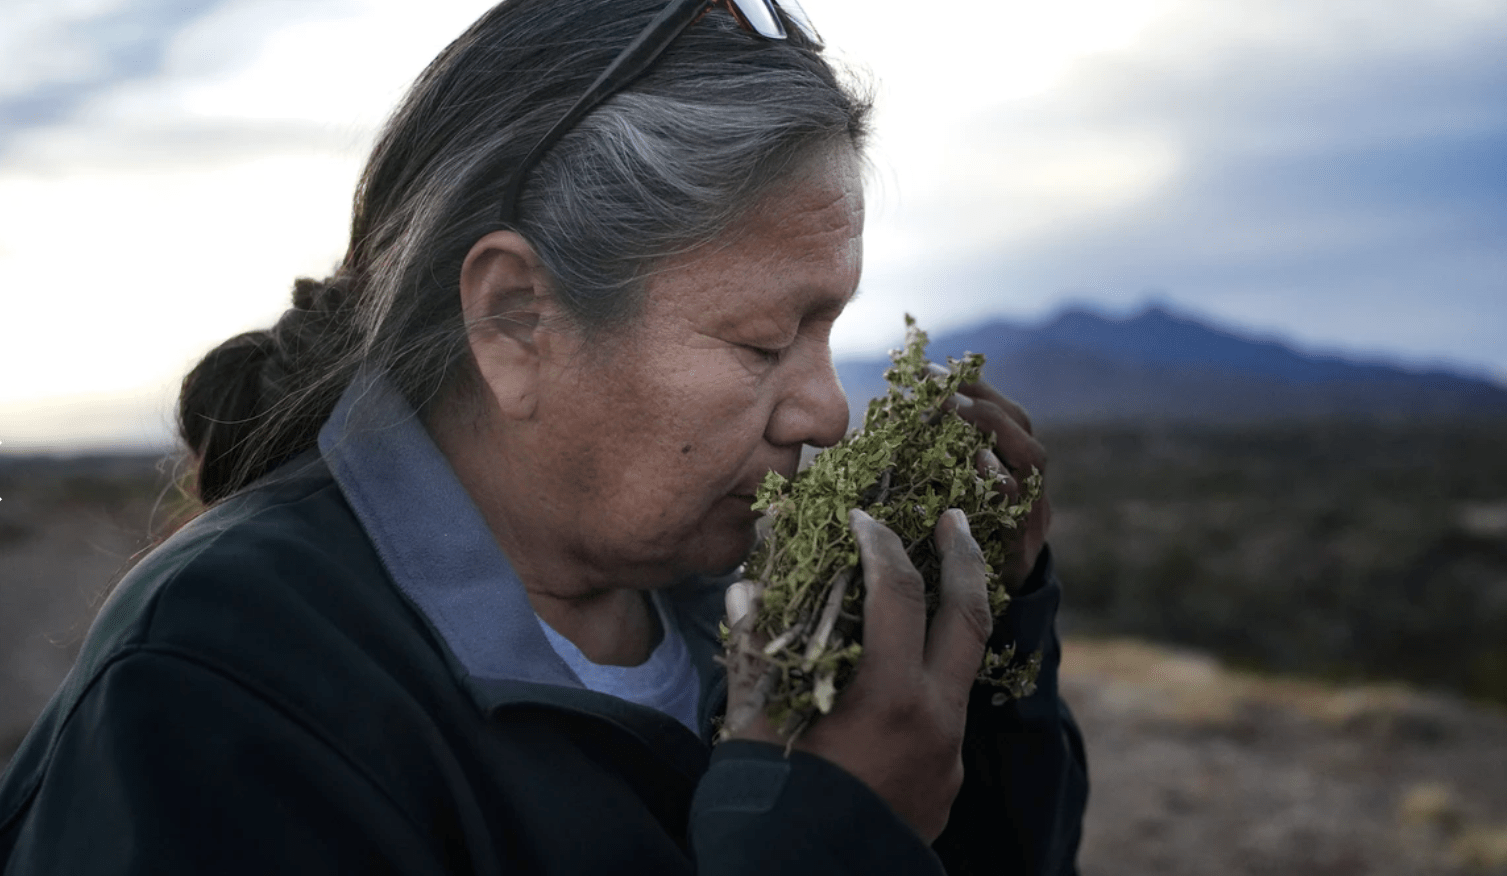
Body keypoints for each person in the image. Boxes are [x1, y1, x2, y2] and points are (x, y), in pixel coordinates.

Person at [0, 0, 1087, 872]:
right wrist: (823, 838)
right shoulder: (221, 686)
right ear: (517, 317)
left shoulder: (755, 595)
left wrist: (982, 667)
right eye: (764, 343)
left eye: (829, 329)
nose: (826, 411)